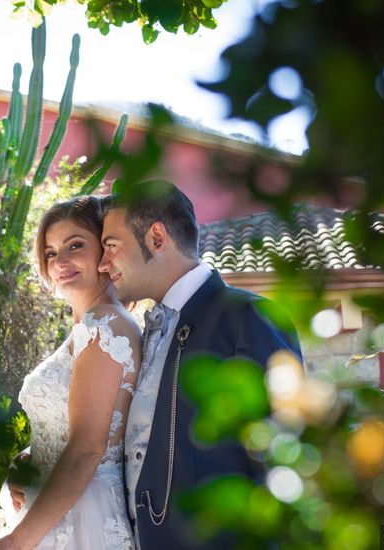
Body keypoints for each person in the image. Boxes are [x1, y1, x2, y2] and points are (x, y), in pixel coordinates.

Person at [97, 180, 302, 549]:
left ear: (157, 238)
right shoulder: (142, 335)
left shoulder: (248, 317)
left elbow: (284, 462)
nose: (102, 263)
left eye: (111, 246)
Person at [0, 196, 142, 549]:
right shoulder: (87, 328)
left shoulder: (105, 327)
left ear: (105, 249)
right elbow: (69, 428)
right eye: (51, 253)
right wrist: (32, 457)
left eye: (75, 246)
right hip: (55, 507)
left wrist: (18, 541)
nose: (61, 262)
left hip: (80, 519)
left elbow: (87, 447)